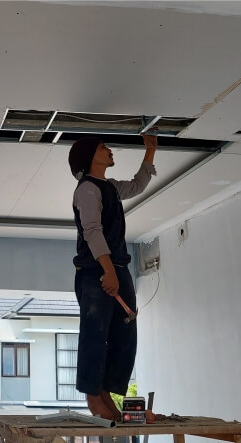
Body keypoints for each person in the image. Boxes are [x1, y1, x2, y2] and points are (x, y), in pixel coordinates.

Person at [68, 133, 157, 421]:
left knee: (124, 332)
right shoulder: (86, 189)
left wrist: (150, 152)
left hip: (116, 268)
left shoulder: (110, 187)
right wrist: (107, 271)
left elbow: (137, 184)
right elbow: (92, 230)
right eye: (103, 147)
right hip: (97, 271)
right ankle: (93, 396)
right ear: (90, 155)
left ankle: (105, 390)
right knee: (96, 335)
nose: (109, 150)